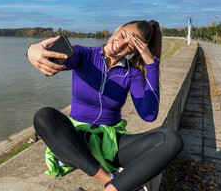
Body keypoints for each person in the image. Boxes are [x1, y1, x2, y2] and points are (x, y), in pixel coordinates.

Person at [27, 20, 183, 191]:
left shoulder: (132, 74)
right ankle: (110, 179)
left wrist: (151, 65)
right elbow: (51, 57)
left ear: (135, 51)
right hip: (77, 139)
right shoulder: (84, 54)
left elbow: (149, 115)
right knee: (44, 116)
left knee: (171, 139)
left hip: (111, 144)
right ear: (118, 28)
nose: (119, 46)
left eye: (129, 47)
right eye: (122, 36)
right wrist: (31, 51)